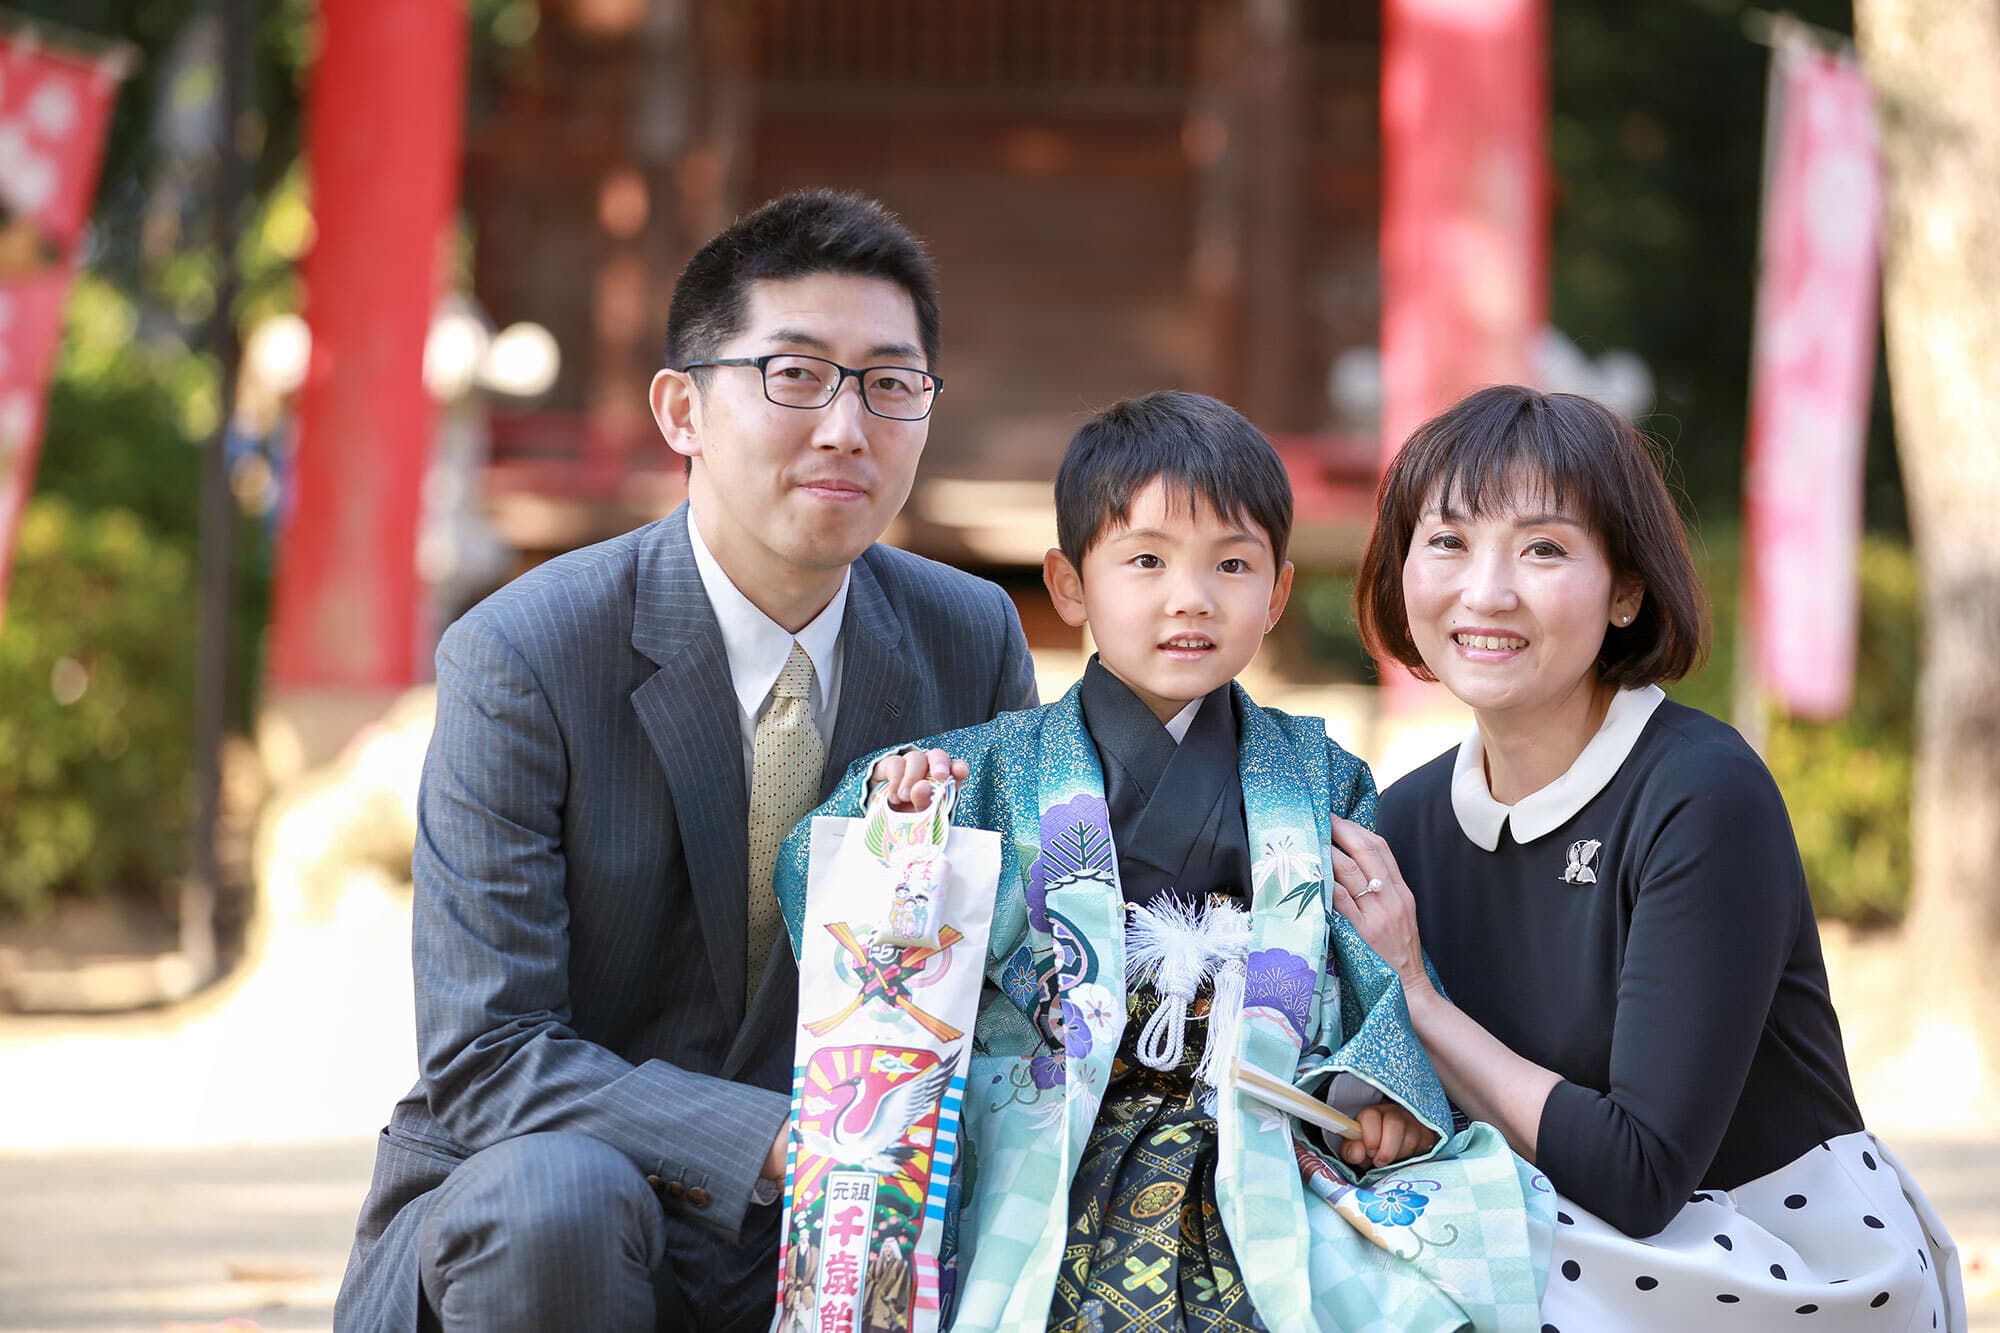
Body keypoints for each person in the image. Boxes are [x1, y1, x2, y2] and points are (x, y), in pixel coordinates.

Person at [333, 190, 1037, 1333]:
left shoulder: (970, 637)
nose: (844, 428)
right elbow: (487, 1053)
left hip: (850, 1240)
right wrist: (772, 1138)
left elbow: (1005, 977)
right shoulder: (523, 653)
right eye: (794, 374)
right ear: (681, 410)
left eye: (890, 385)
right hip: (559, 1230)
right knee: (556, 1196)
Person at [778, 391, 1555, 1333]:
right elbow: (838, 904)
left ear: (1276, 594)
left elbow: (1364, 967)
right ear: (1070, 585)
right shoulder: (986, 767)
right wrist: (893, 812)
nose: (1191, 597)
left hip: (1267, 1125)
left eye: (1232, 563)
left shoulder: (1320, 775)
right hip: (1042, 1134)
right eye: (1145, 560)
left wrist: (1373, 1092)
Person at [1330, 384, 1965, 1331]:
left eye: (1543, 547)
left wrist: (1418, 1003)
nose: (1486, 589)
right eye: (1449, 541)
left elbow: (1640, 1172)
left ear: (1626, 590)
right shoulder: (1407, 818)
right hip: (1559, 1240)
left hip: (1780, 1265)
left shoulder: (1704, 795)